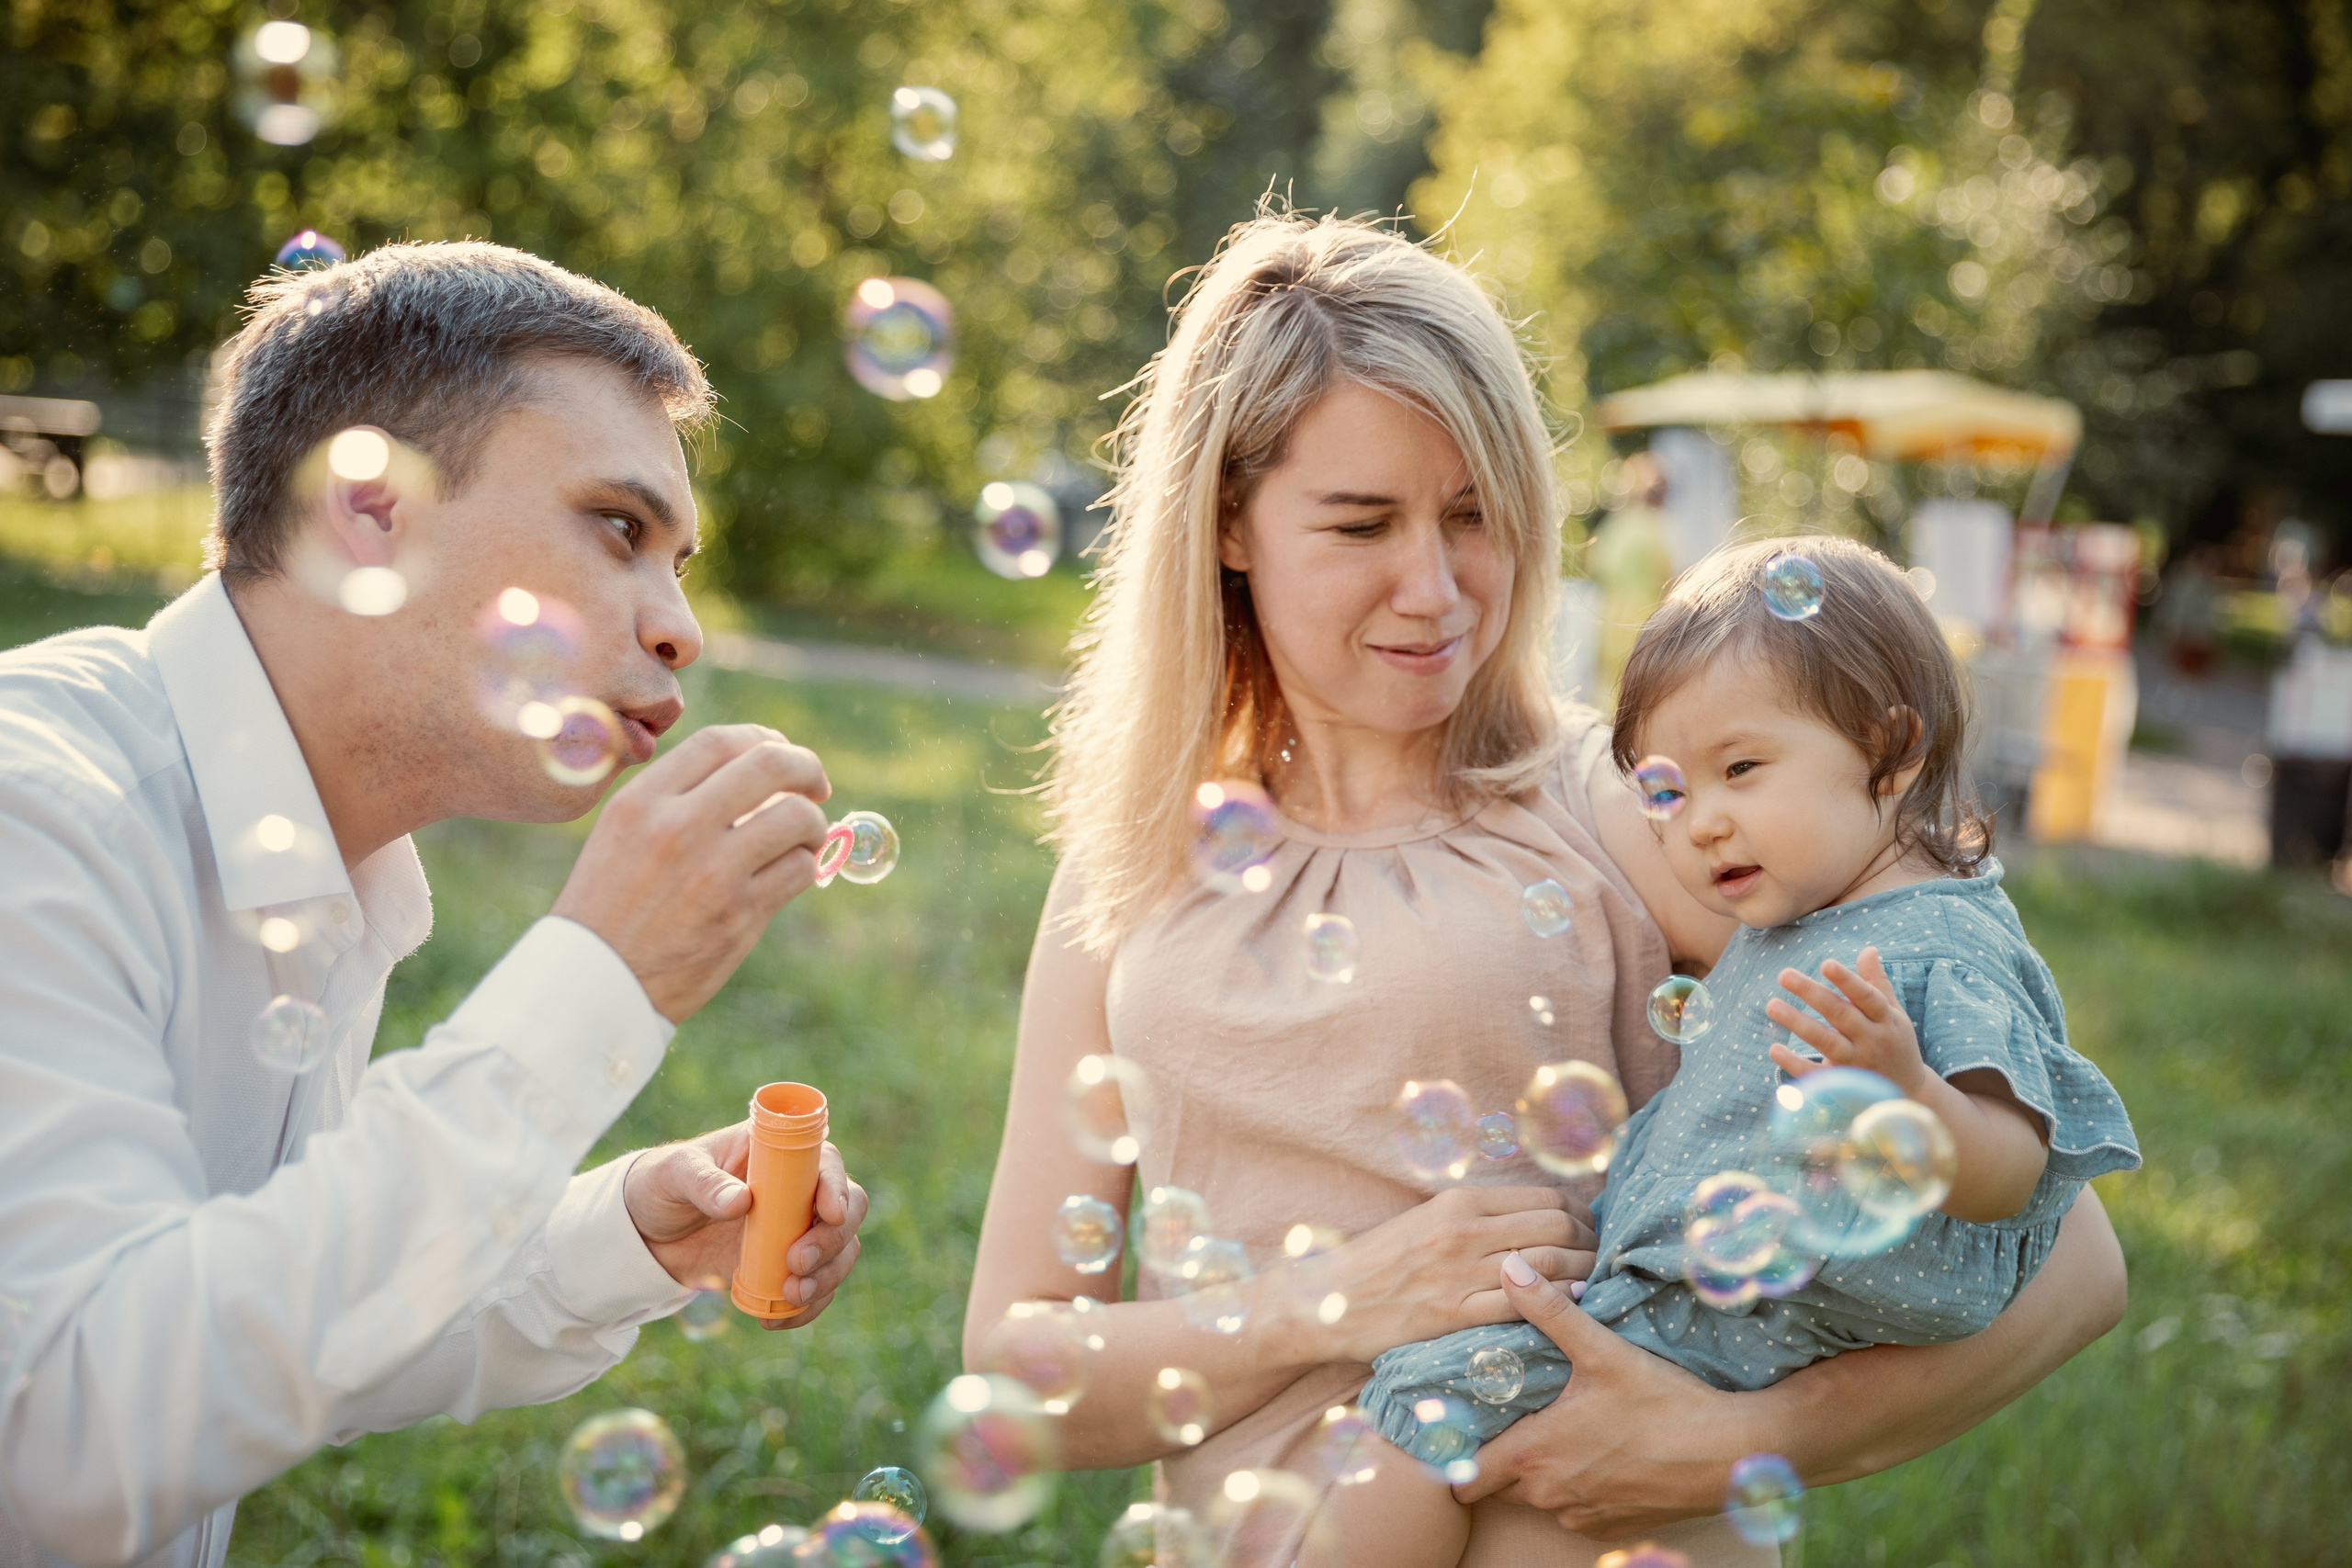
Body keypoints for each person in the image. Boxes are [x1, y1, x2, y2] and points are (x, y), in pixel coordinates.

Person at [965, 213, 2130, 1567]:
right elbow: (1015, 1368)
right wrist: (1335, 1300)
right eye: (1361, 521)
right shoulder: (1130, 866)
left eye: (1477, 515)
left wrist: (1740, 1442)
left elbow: (2074, 1254)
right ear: (1227, 521)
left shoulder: (1630, 815)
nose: (1437, 586)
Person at [0, 243, 867, 1568]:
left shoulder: (327, 874)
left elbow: (285, 1313)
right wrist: (596, 976)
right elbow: (68, 1432)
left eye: (680, 559)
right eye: (621, 528)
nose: (681, 623)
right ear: (369, 502)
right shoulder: (40, 812)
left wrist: (629, 1227)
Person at [1351, 536, 2142, 1567]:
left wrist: (1910, 1096)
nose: (1703, 827)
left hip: (1712, 1326)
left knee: (1407, 1424)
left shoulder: (1941, 945)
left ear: (1889, 751)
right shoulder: (1800, 914)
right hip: (1683, 1304)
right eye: (1669, 794)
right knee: (1479, 1463)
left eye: (1741, 769)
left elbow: (2011, 1172)